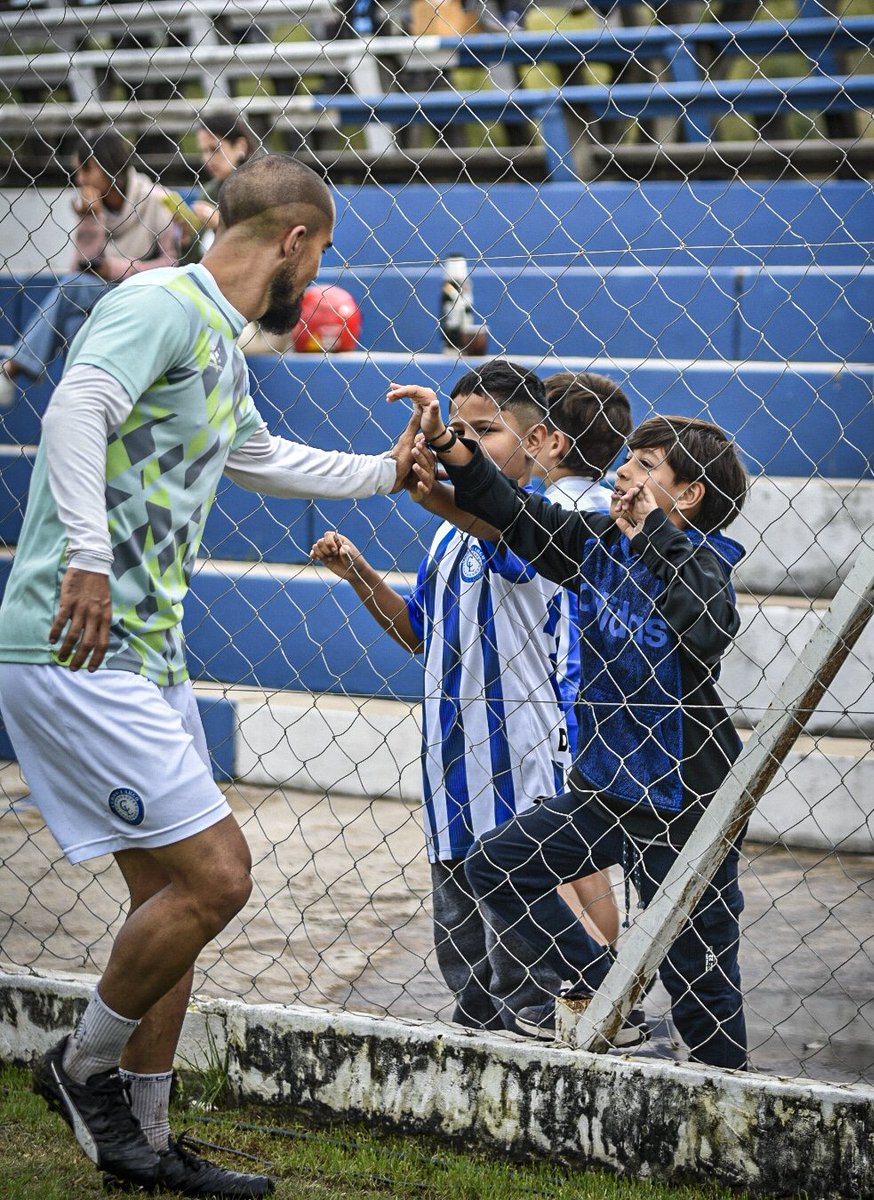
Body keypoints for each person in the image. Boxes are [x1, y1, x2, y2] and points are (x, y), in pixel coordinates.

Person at [0, 153, 422, 1197]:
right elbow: (72, 414)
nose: (315, 271)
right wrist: (89, 560)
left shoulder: (221, 346)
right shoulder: (158, 303)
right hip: (76, 641)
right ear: (295, 243)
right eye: (319, 253)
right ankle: (83, 1067)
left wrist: (385, 473)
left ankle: (138, 1139)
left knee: (177, 908)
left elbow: (262, 457)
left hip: (147, 652)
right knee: (220, 877)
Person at [393, 384, 750, 1069]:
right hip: (604, 790)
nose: (624, 473)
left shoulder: (702, 557)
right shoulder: (597, 546)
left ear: (691, 495)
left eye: (647, 467)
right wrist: (446, 444)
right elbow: (511, 513)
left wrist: (656, 536)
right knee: (496, 866)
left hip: (684, 805)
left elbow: (706, 630)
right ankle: (601, 985)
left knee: (702, 978)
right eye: (627, 461)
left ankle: (733, 1105)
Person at [311, 361, 583, 1036]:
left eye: (484, 432)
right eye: (456, 431)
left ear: (541, 440)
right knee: (465, 966)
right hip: (449, 779)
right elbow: (419, 634)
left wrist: (445, 492)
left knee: (528, 971)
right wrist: (358, 572)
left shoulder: (545, 527)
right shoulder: (446, 534)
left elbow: (509, 534)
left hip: (516, 777)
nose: (463, 443)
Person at [532, 371, 633, 948]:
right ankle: (610, 971)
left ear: (553, 441)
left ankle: (590, 979)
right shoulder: (608, 505)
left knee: (554, 852)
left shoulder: (553, 509)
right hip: (607, 694)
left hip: (561, 695)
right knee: (585, 850)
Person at [0, 127, 186, 407]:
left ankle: (13, 368)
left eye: (87, 170)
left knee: (68, 289)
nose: (80, 179)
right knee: (75, 324)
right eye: (78, 171)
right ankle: (82, 405)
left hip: (145, 294)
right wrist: (90, 219)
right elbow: (79, 268)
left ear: (112, 167)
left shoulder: (155, 200)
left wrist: (115, 268)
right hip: (102, 296)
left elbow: (172, 265)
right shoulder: (90, 206)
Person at [192, 110, 256, 247]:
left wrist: (219, 224)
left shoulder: (260, 186)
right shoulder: (209, 191)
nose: (207, 159)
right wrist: (186, 238)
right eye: (203, 151)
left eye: (214, 149)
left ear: (240, 146)